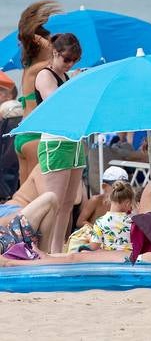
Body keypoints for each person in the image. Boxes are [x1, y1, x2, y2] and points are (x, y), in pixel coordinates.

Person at [34, 31, 87, 253]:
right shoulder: (45, 75)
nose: (69, 64)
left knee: (68, 204)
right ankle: (45, 250)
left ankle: (57, 250)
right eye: (66, 59)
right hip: (55, 142)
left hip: (73, 141)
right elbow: (55, 103)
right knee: (53, 203)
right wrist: (74, 83)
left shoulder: (65, 78)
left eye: (74, 60)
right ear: (54, 53)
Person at [15, 0, 61, 183]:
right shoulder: (41, 68)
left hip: (22, 136)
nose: (52, 46)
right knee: (35, 192)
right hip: (34, 136)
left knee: (24, 194)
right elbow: (28, 36)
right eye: (49, 42)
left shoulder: (29, 69)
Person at [88, 181, 135, 252]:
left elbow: (93, 247)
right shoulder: (133, 222)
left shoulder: (100, 221)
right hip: (128, 259)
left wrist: (90, 238)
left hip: (109, 260)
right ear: (128, 203)